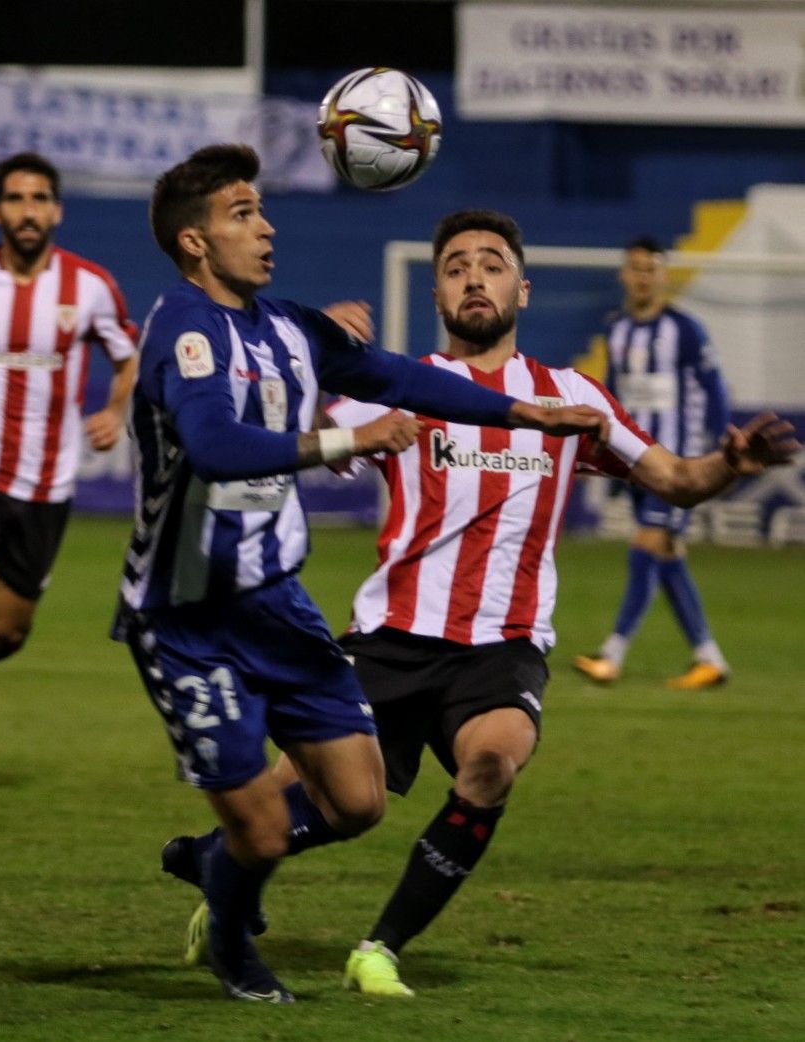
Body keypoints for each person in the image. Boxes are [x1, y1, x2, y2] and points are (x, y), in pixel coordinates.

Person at [174, 208, 799, 999]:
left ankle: (381, 947)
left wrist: (731, 463)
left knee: (491, 768)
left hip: (503, 643)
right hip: (390, 637)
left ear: (523, 289)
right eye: (458, 265)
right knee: (328, 808)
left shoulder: (572, 398)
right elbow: (281, 438)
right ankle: (215, 867)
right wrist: (309, 366)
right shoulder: (397, 389)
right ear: (436, 291)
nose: (476, 275)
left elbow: (676, 480)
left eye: (493, 263)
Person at [114, 146, 613, 1004]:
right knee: (266, 831)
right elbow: (215, 446)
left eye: (262, 209)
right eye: (243, 213)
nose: (266, 226)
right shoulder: (183, 330)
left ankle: (209, 862)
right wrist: (353, 440)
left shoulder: (287, 328)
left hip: (280, 604)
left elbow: (397, 376)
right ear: (196, 243)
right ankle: (236, 953)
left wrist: (520, 409)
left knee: (357, 804)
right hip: (187, 614)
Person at [0, 151, 138, 664]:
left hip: (44, 484)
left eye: (39, 199)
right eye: (14, 199)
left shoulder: (90, 287)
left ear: (57, 211)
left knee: (7, 633)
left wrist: (117, 412)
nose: (27, 211)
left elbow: (128, 358)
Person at [573, 236, 733, 689]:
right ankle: (709, 658)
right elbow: (610, 395)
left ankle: (612, 654)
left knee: (646, 546)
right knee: (665, 557)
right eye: (635, 268)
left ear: (664, 275)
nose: (643, 276)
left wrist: (721, 456)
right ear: (625, 274)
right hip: (636, 463)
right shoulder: (617, 329)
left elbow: (714, 389)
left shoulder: (685, 329)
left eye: (651, 269)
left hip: (679, 464)